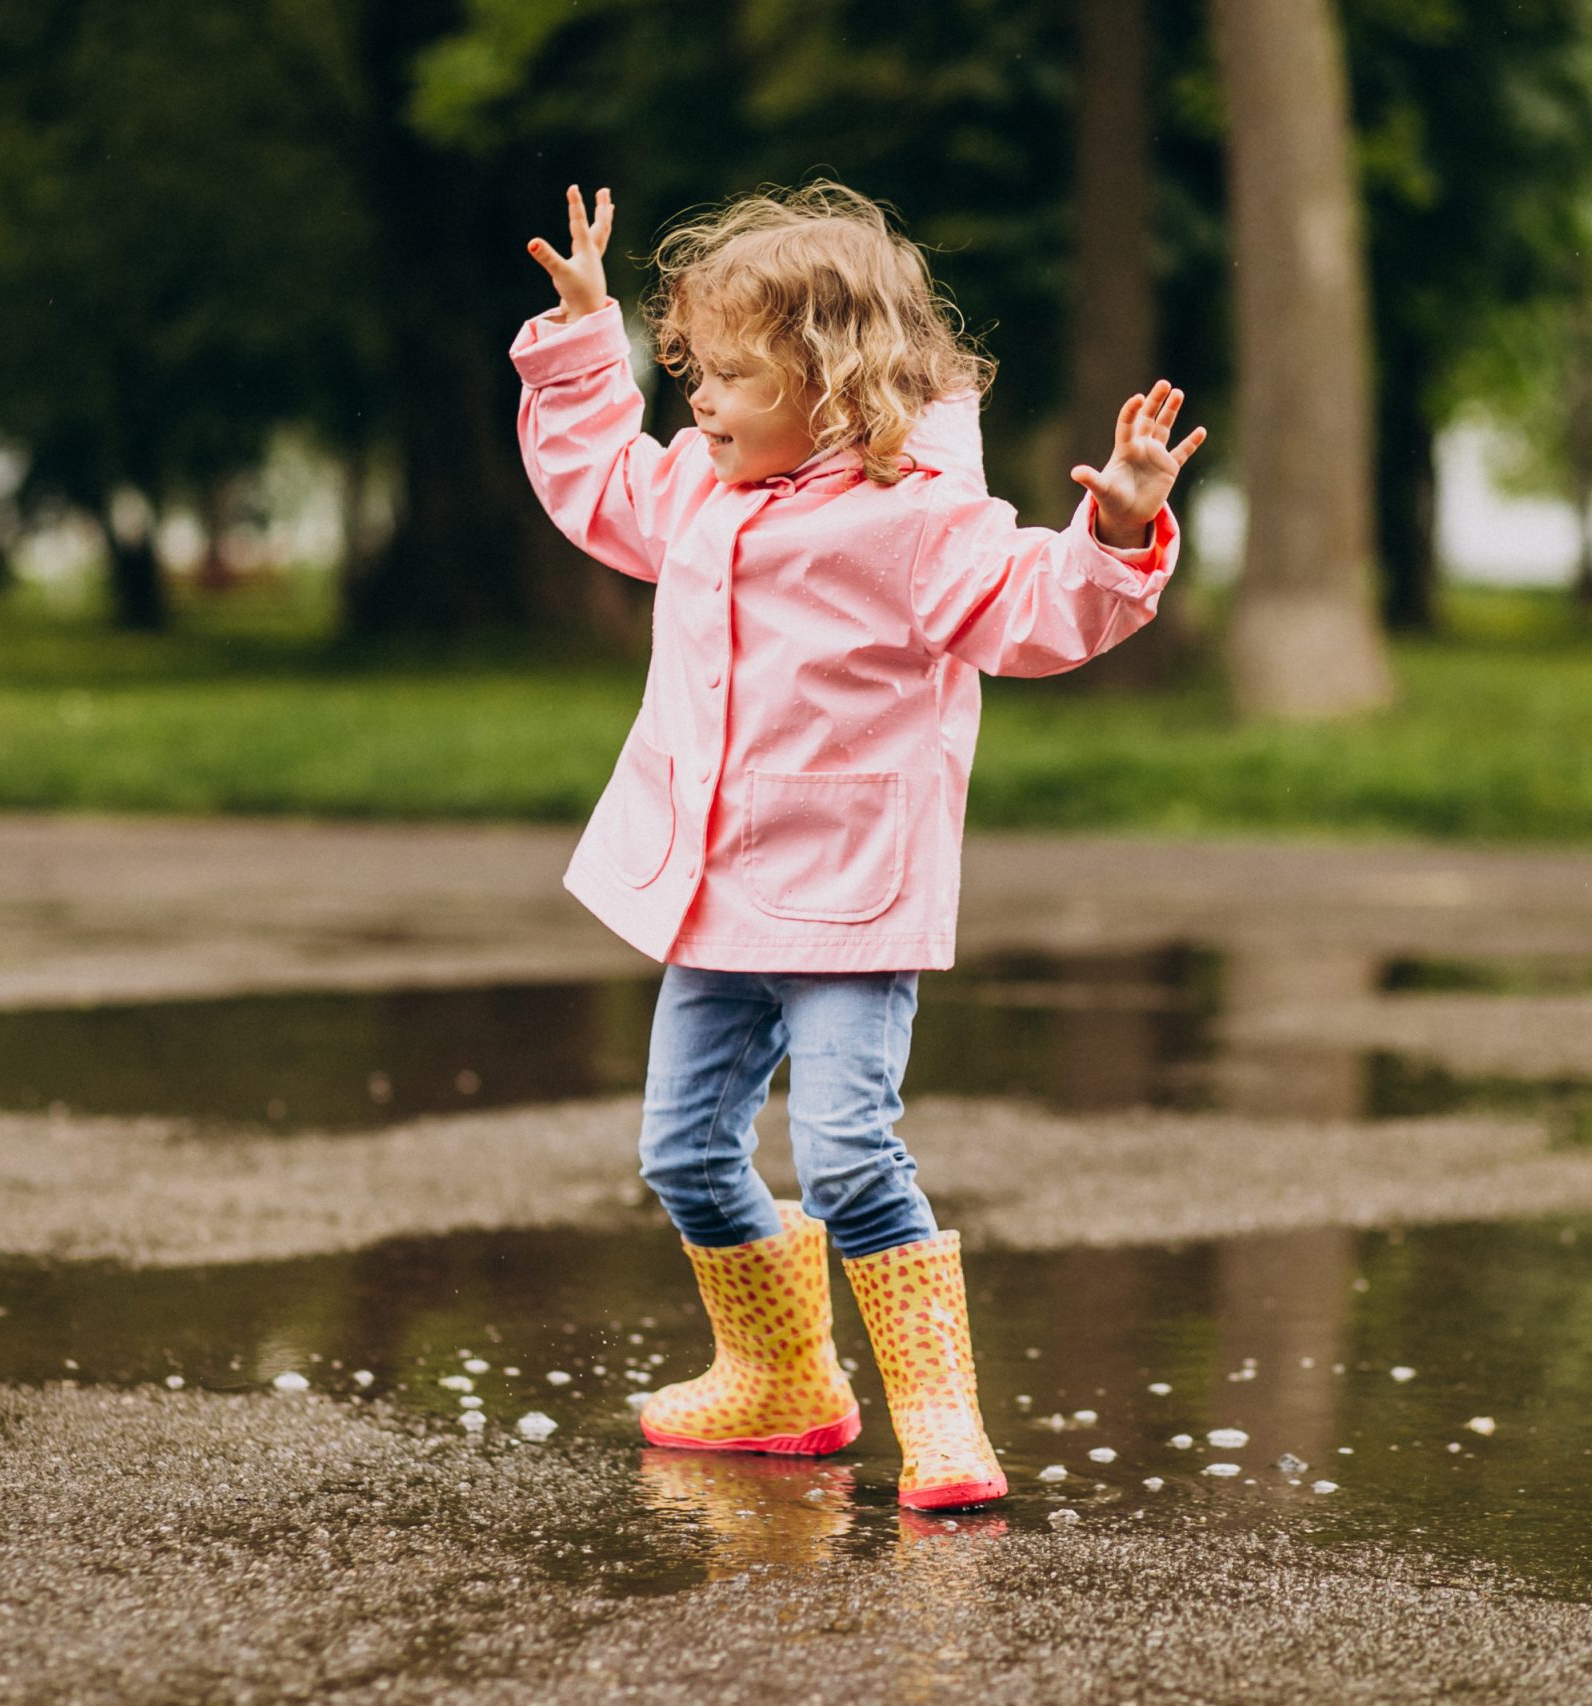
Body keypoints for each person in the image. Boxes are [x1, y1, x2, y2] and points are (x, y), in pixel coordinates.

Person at [514, 180, 1203, 1511]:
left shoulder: (909, 517)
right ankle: (782, 1378)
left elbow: (1029, 607)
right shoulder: (708, 495)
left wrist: (1115, 526)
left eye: (728, 376)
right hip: (714, 893)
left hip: (845, 897)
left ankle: (940, 1414)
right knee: (685, 1152)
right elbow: (600, 482)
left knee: (843, 1149)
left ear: (830, 384)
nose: (698, 401)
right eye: (691, 373)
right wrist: (589, 332)